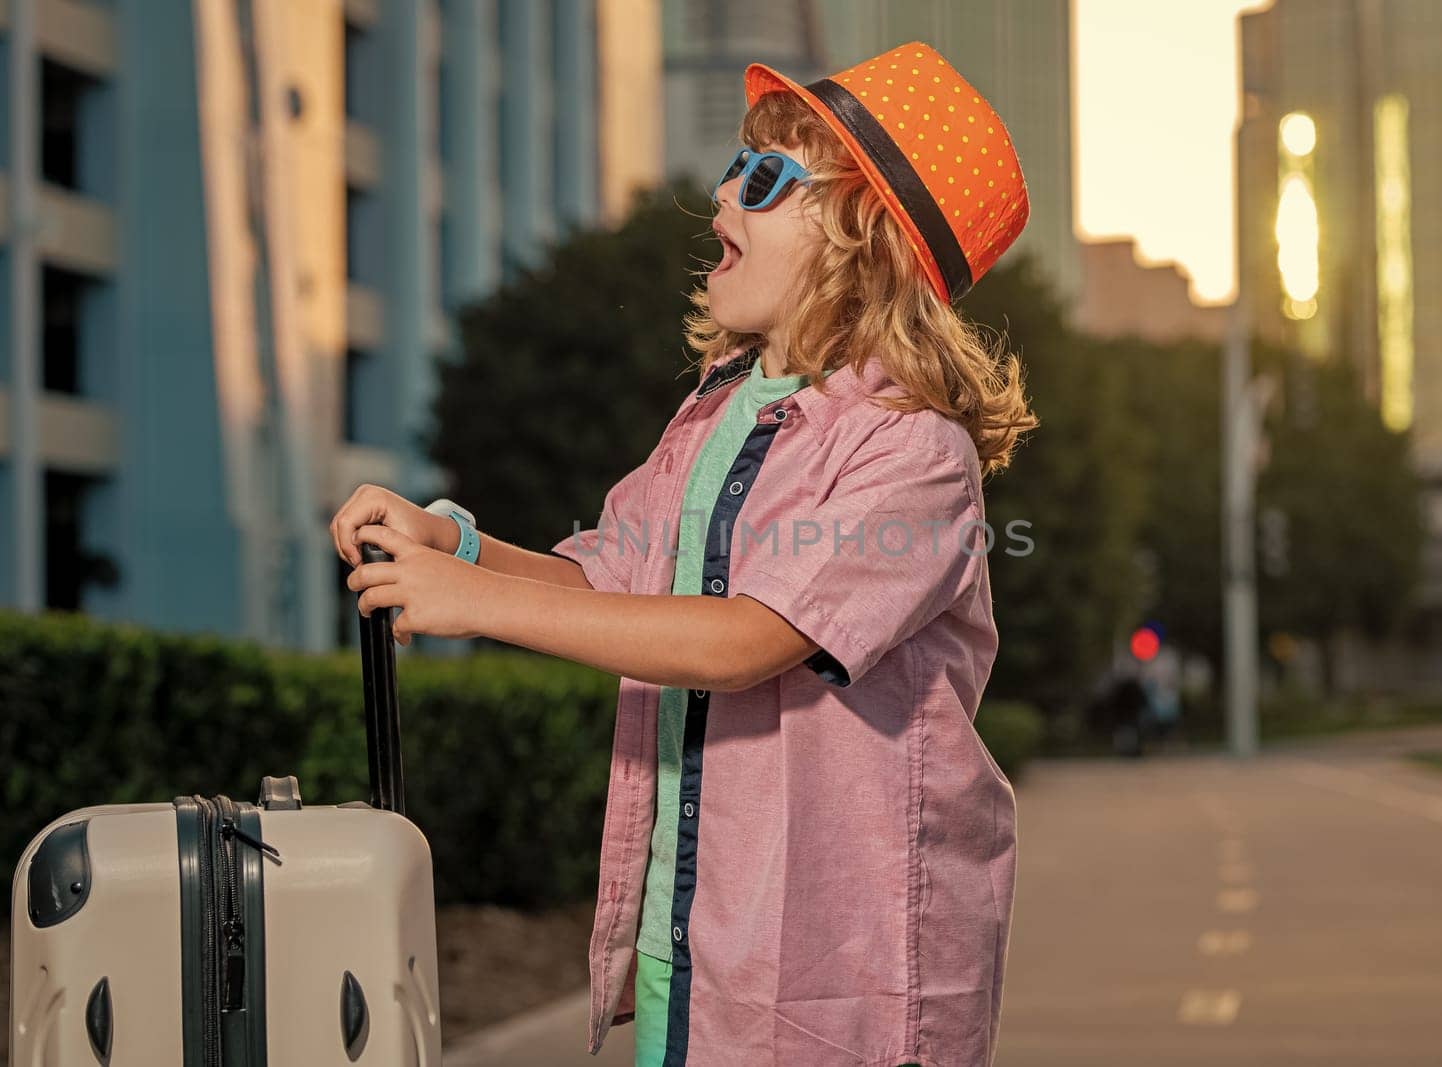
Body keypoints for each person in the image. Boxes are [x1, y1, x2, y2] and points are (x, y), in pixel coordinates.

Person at [330, 41, 1036, 1067]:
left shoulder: (910, 449)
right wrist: (460, 546)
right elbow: (608, 578)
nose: (716, 203)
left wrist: (473, 601)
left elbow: (743, 639)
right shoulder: (711, 412)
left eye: (760, 180)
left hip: (838, 979)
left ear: (865, 238)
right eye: (729, 169)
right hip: (695, 948)